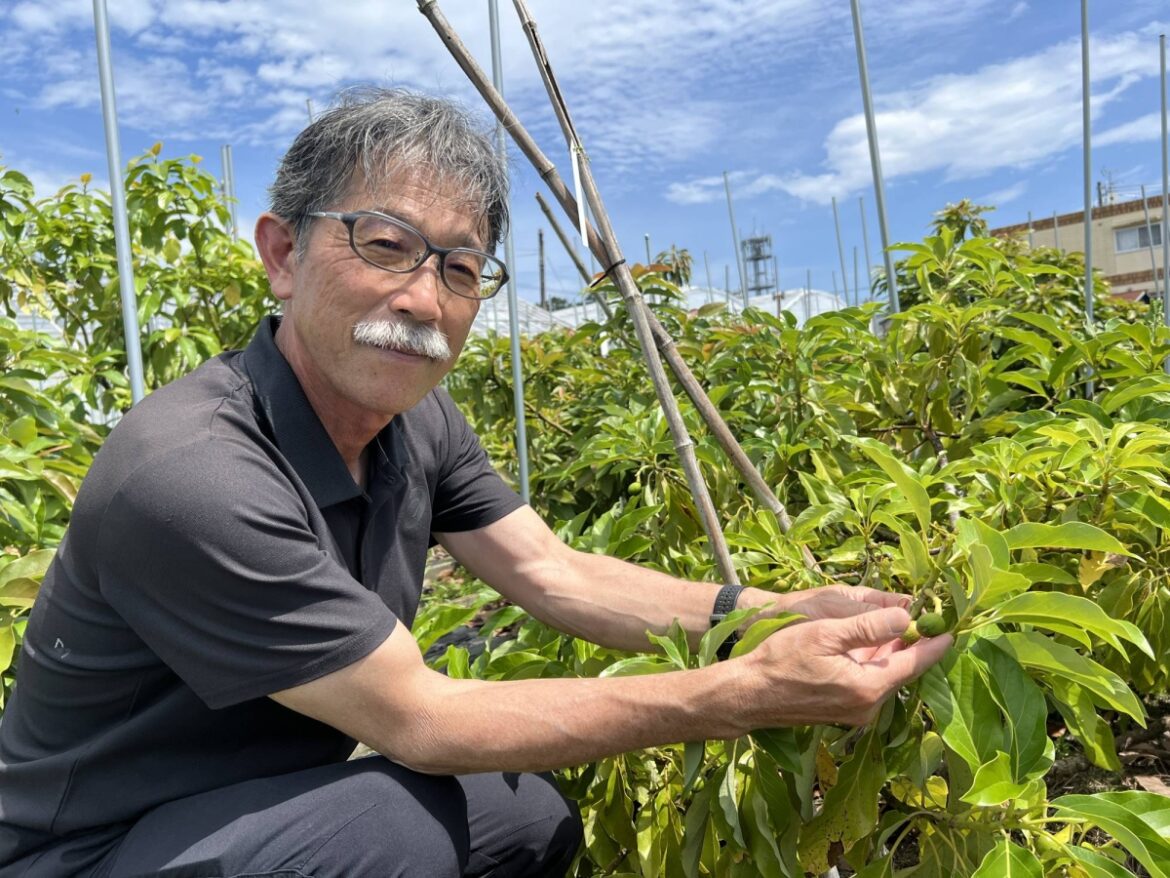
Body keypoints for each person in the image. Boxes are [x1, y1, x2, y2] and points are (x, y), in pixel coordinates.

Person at [0, 88, 951, 878]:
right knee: (395, 832)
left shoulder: (414, 423)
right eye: (383, 245)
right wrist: (743, 690)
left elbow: (555, 573)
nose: (423, 298)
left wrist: (767, 615)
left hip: (250, 810)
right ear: (284, 256)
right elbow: (422, 719)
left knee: (523, 816)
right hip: (89, 851)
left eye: (459, 267)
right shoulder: (190, 472)